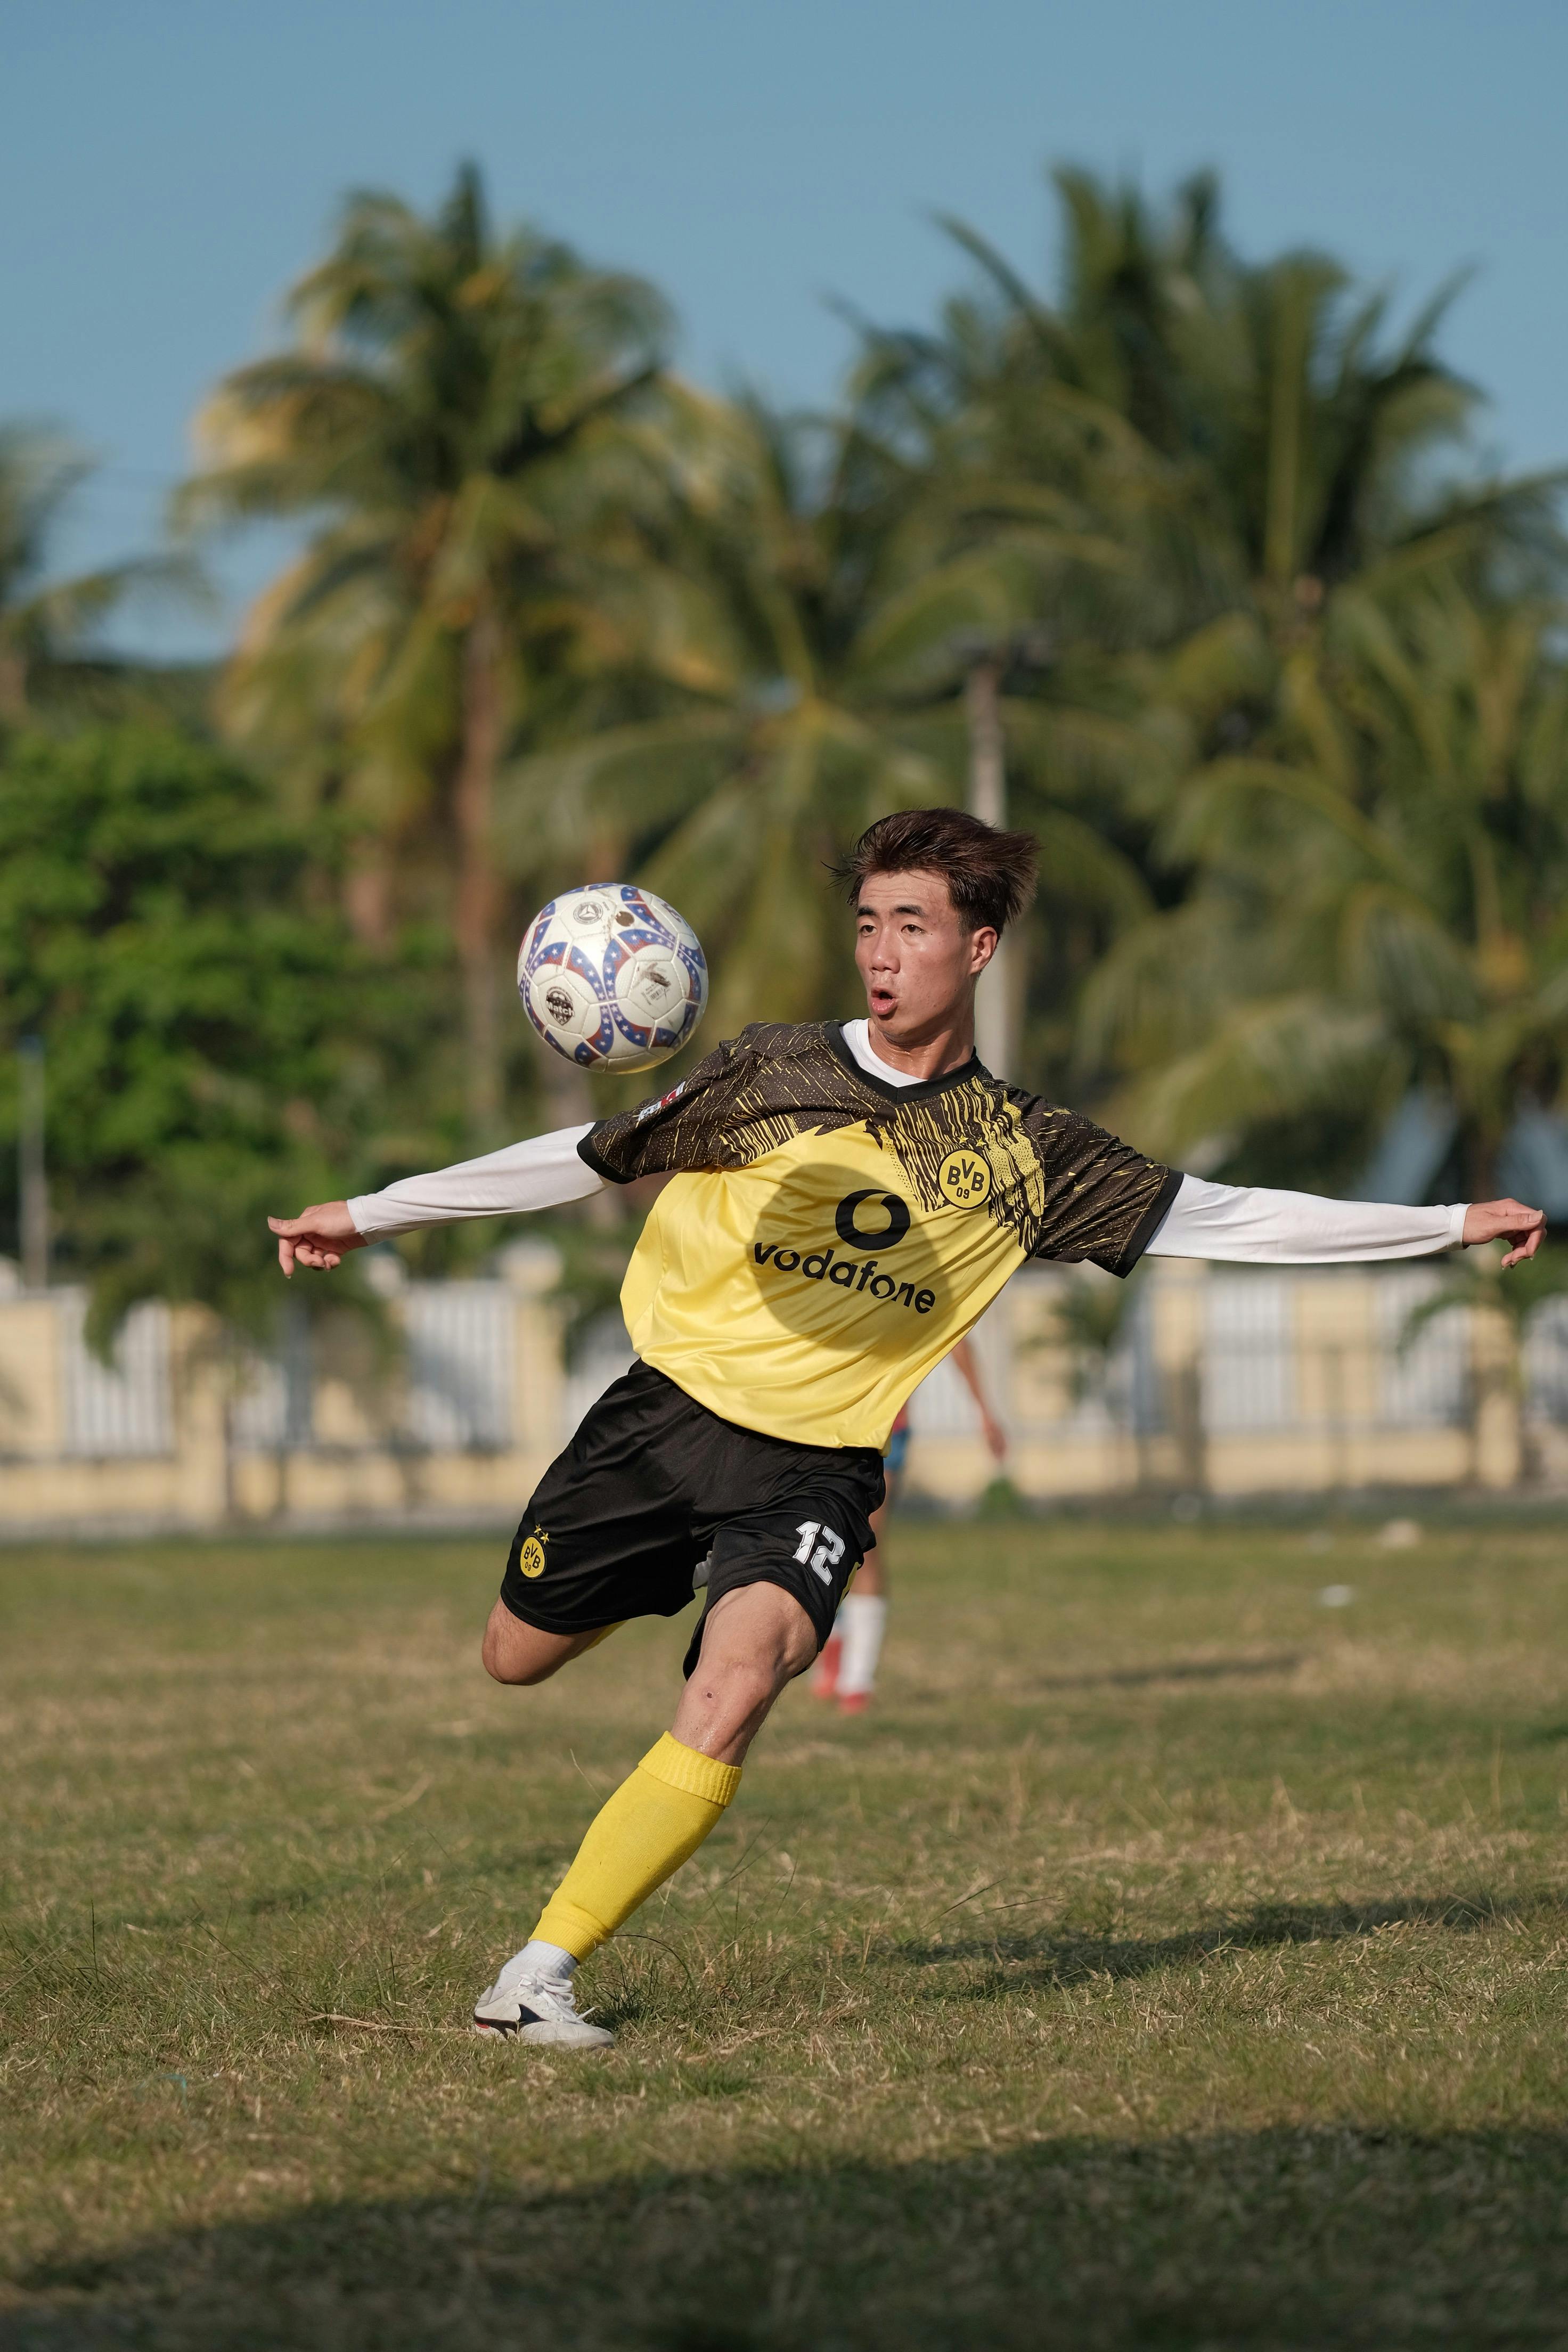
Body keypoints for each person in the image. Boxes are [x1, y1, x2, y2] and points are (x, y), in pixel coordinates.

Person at [269, 807, 1545, 2051]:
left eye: (912, 925)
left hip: (815, 1465)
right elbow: (587, 1155)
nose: (881, 952)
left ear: (977, 946)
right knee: (511, 1656)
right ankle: (651, 1585)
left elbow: (1227, 1215)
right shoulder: (769, 1067)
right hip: (661, 1420)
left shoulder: (1028, 1149)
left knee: (740, 1678)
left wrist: (1442, 1223)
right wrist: (372, 1212)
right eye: (868, 923)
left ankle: (535, 1973)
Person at [814, 1334, 1006, 1713]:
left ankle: (857, 1680)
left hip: (886, 1431)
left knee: (868, 1545)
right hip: (823, 1425)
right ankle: (833, 1640)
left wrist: (984, 1411)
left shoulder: (914, 1276)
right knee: (824, 1540)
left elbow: (957, 1334)